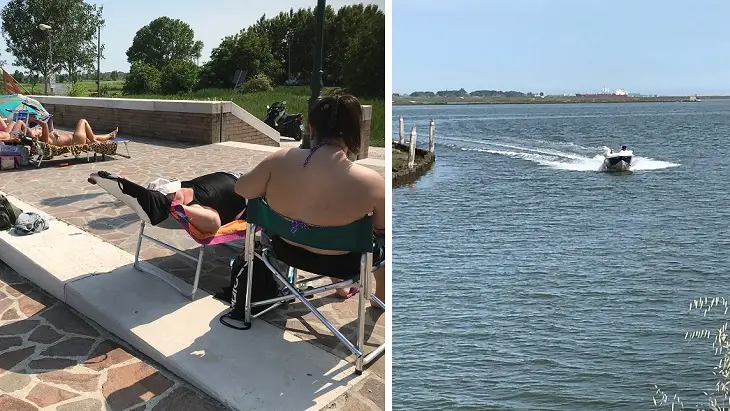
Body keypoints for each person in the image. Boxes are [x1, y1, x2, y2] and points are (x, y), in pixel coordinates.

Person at [234, 95, 386, 308]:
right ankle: (381, 299)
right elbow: (381, 229)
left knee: (317, 225)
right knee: (379, 241)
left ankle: (340, 287)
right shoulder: (371, 182)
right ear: (354, 133)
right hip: (343, 262)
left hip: (286, 249)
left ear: (311, 129)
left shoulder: (279, 160)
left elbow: (241, 188)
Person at [89, 171, 247, 234]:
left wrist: (116, 182)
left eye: (172, 193)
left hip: (237, 175)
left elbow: (140, 194)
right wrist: (177, 207)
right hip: (250, 199)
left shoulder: (181, 188)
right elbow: (214, 222)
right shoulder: (194, 206)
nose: (174, 196)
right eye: (169, 197)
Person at [16, 116, 118, 146]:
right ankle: (95, 142)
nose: (38, 130)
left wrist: (26, 124)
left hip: (76, 139)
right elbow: (45, 125)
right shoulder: (44, 139)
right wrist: (35, 120)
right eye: (36, 130)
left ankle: (110, 135)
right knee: (83, 120)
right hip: (75, 139)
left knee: (93, 136)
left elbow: (29, 131)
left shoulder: (42, 139)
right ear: (35, 136)